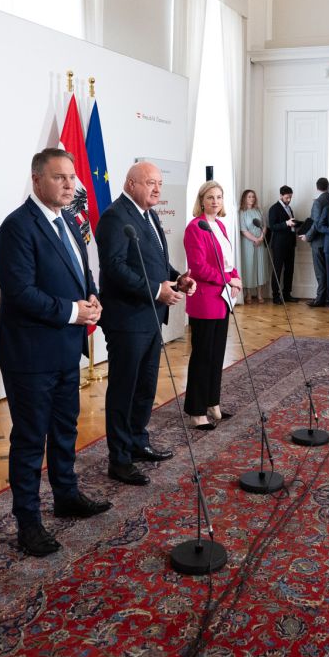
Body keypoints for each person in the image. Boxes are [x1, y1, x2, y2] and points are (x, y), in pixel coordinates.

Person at [0, 147, 112, 557]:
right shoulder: (17, 228)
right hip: (29, 356)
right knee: (29, 441)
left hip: (65, 350)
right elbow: (20, 292)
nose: (70, 185)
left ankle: (66, 495)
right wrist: (72, 311)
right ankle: (28, 523)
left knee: (65, 430)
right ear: (36, 179)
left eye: (72, 178)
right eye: (59, 177)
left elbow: (83, 273)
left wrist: (91, 299)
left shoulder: (71, 223)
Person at [96, 161, 193, 488]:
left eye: (160, 184)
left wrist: (177, 278)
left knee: (145, 386)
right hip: (127, 319)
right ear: (131, 183)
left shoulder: (148, 214)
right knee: (125, 388)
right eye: (150, 182)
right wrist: (156, 290)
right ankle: (119, 459)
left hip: (150, 317)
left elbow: (155, 261)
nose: (157, 189)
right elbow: (114, 267)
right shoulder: (115, 217)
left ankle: (138, 440)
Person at [183, 180, 241, 428]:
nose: (215, 201)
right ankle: (196, 410)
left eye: (219, 197)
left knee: (217, 355)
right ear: (201, 200)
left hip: (223, 299)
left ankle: (212, 402)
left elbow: (227, 261)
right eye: (210, 197)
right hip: (205, 300)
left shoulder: (221, 225)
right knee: (203, 356)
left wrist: (236, 277)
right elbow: (199, 268)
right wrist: (228, 280)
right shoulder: (195, 227)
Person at [305, 178, 329, 308]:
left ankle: (320, 299)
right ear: (328, 186)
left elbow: (316, 223)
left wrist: (308, 236)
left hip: (319, 242)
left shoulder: (318, 202)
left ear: (317, 187)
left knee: (320, 272)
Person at [265, 185, 299, 305]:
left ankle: (287, 294)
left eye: (290, 197)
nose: (289, 200)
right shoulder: (274, 209)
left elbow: (290, 225)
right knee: (277, 270)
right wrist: (286, 223)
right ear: (281, 195)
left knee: (290, 270)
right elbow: (273, 226)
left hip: (290, 244)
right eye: (287, 197)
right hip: (279, 244)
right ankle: (275, 296)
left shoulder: (289, 208)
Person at [236, 188, 267, 304]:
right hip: (248, 243)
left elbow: (264, 225)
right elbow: (243, 230)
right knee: (249, 267)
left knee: (260, 266)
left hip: (260, 241)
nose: (252, 199)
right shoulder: (242, 212)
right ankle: (248, 294)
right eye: (249, 196)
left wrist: (261, 238)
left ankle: (259, 294)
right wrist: (255, 239)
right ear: (244, 198)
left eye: (253, 196)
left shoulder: (259, 210)